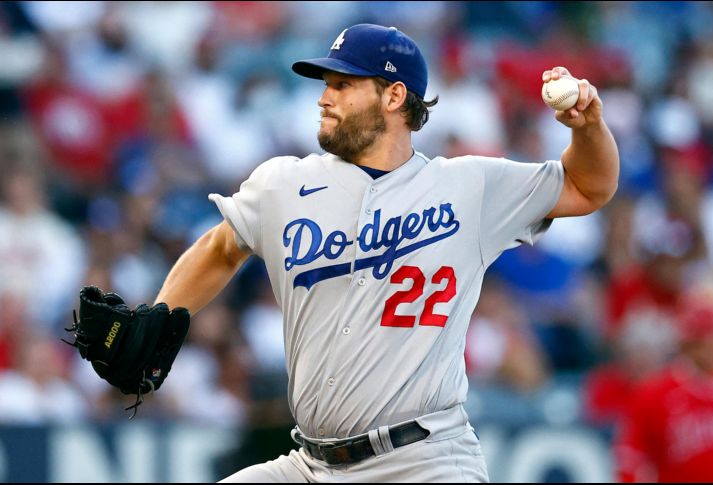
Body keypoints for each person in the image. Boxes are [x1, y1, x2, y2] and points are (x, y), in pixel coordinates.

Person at [154, 24, 618, 482]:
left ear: (394, 96)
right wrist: (159, 318)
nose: (323, 98)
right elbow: (220, 247)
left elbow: (587, 186)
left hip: (422, 463)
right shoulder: (284, 183)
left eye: (342, 85)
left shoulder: (468, 186)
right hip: (310, 465)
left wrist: (590, 128)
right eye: (326, 84)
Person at [614, 301, 713, 483]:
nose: (707, 349)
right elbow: (629, 459)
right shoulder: (654, 394)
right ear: (684, 345)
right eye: (699, 342)